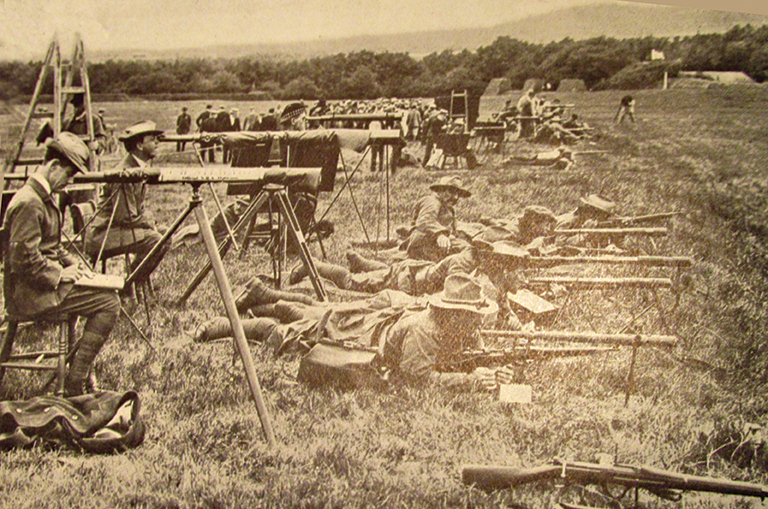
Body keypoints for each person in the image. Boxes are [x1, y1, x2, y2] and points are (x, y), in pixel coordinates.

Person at [197, 273, 503, 390]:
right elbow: (416, 379)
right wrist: (470, 381)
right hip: (357, 343)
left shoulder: (454, 325)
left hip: (369, 327)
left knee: (316, 315)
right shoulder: (424, 329)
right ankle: (219, 327)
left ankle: (264, 298)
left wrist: (487, 367)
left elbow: (467, 352)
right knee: (288, 334)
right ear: (454, 313)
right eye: (471, 315)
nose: (477, 321)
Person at [3, 132, 120, 396]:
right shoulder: (29, 203)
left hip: (41, 286)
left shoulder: (39, 198)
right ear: (53, 167)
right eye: (68, 175)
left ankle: (77, 374)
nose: (68, 184)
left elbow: (51, 247)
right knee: (109, 303)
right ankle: (75, 381)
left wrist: (75, 265)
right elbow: (25, 262)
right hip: (29, 294)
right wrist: (62, 273)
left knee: (106, 295)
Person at [84, 121, 169, 286]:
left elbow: (136, 210)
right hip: (105, 233)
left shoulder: (136, 167)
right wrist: (148, 221)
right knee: (156, 240)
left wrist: (147, 220)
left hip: (118, 229)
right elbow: (125, 217)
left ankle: (137, 279)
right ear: (139, 145)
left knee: (165, 234)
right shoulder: (125, 173)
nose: (157, 143)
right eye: (152, 140)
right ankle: (129, 285)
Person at [405, 176, 471, 262]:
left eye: (458, 194)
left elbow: (452, 230)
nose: (456, 197)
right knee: (467, 251)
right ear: (440, 190)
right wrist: (440, 235)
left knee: (466, 248)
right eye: (451, 192)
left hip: (440, 245)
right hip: (423, 244)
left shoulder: (449, 208)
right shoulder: (431, 201)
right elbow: (425, 221)